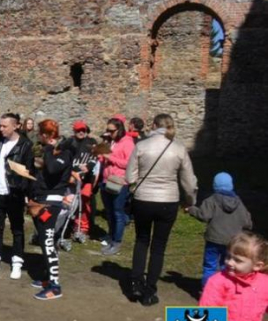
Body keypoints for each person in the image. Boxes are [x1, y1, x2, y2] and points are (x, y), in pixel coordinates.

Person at [126, 114, 197, 306]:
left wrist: (135, 188)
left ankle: (135, 284)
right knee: (159, 246)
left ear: (154, 125)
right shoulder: (179, 148)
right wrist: (190, 201)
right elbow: (189, 182)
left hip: (143, 199)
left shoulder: (141, 145)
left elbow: (130, 176)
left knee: (141, 241)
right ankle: (149, 291)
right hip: (168, 199)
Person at [0, 113, 34, 279]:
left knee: (17, 228)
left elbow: (29, 171)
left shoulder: (25, 145)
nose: (1, 129)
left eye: (4, 126)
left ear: (15, 126)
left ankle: (17, 261)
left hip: (14, 192)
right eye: (0, 125)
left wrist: (22, 191)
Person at [29, 119, 73, 301]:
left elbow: (54, 168)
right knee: (42, 239)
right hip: (41, 199)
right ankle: (48, 278)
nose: (39, 137)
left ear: (46, 135)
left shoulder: (65, 151)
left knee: (47, 242)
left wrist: (47, 150)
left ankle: (55, 286)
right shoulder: (51, 150)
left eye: (41, 134)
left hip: (53, 203)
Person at [186, 172, 252, 288]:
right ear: (231, 185)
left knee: (209, 266)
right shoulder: (239, 202)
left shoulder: (211, 200)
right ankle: (224, 289)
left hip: (214, 239)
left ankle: (207, 290)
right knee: (227, 266)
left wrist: (191, 209)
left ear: (214, 185)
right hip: (232, 241)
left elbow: (203, 215)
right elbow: (247, 222)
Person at [100, 117, 135, 255]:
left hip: (118, 181)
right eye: (107, 130)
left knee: (117, 212)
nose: (108, 133)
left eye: (111, 131)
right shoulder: (111, 141)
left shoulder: (127, 143)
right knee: (109, 211)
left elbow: (129, 163)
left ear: (119, 129)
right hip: (106, 179)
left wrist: (110, 158)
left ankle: (117, 241)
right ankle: (111, 235)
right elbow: (105, 158)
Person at [63, 120, 98, 240]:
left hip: (86, 178)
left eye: (83, 130)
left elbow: (94, 158)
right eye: (78, 130)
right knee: (68, 202)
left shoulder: (91, 142)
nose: (81, 132)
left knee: (84, 202)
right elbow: (64, 161)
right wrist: (74, 170)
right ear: (74, 131)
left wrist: (88, 167)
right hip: (72, 177)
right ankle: (65, 226)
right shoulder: (68, 142)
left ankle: (82, 228)